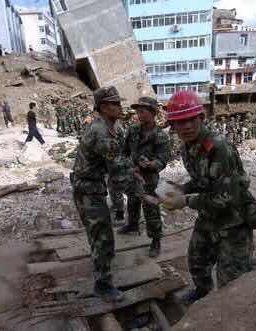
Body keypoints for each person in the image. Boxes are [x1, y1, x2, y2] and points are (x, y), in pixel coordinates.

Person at [159, 90, 256, 305]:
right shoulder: (188, 148)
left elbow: (227, 197)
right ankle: (202, 294)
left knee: (232, 280)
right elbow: (203, 180)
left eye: (191, 120)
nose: (186, 126)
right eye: (180, 122)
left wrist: (185, 201)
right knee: (197, 261)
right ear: (173, 126)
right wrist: (182, 188)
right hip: (209, 216)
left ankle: (230, 313)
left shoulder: (219, 147)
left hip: (233, 221)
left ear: (201, 118)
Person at [70, 86, 137, 303]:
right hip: (87, 188)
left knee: (98, 233)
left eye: (119, 102)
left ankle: (101, 264)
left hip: (93, 186)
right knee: (102, 237)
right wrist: (139, 191)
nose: (119, 107)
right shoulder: (100, 131)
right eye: (114, 103)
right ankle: (103, 285)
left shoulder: (112, 127)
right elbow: (115, 168)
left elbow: (120, 156)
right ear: (103, 107)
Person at [118, 96, 171, 258]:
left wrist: (151, 164)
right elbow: (123, 152)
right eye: (138, 112)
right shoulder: (133, 130)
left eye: (143, 112)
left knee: (150, 208)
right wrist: (129, 166)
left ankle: (155, 240)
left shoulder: (160, 136)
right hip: (132, 174)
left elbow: (163, 160)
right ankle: (133, 225)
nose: (139, 115)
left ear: (153, 113)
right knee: (132, 201)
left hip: (148, 179)